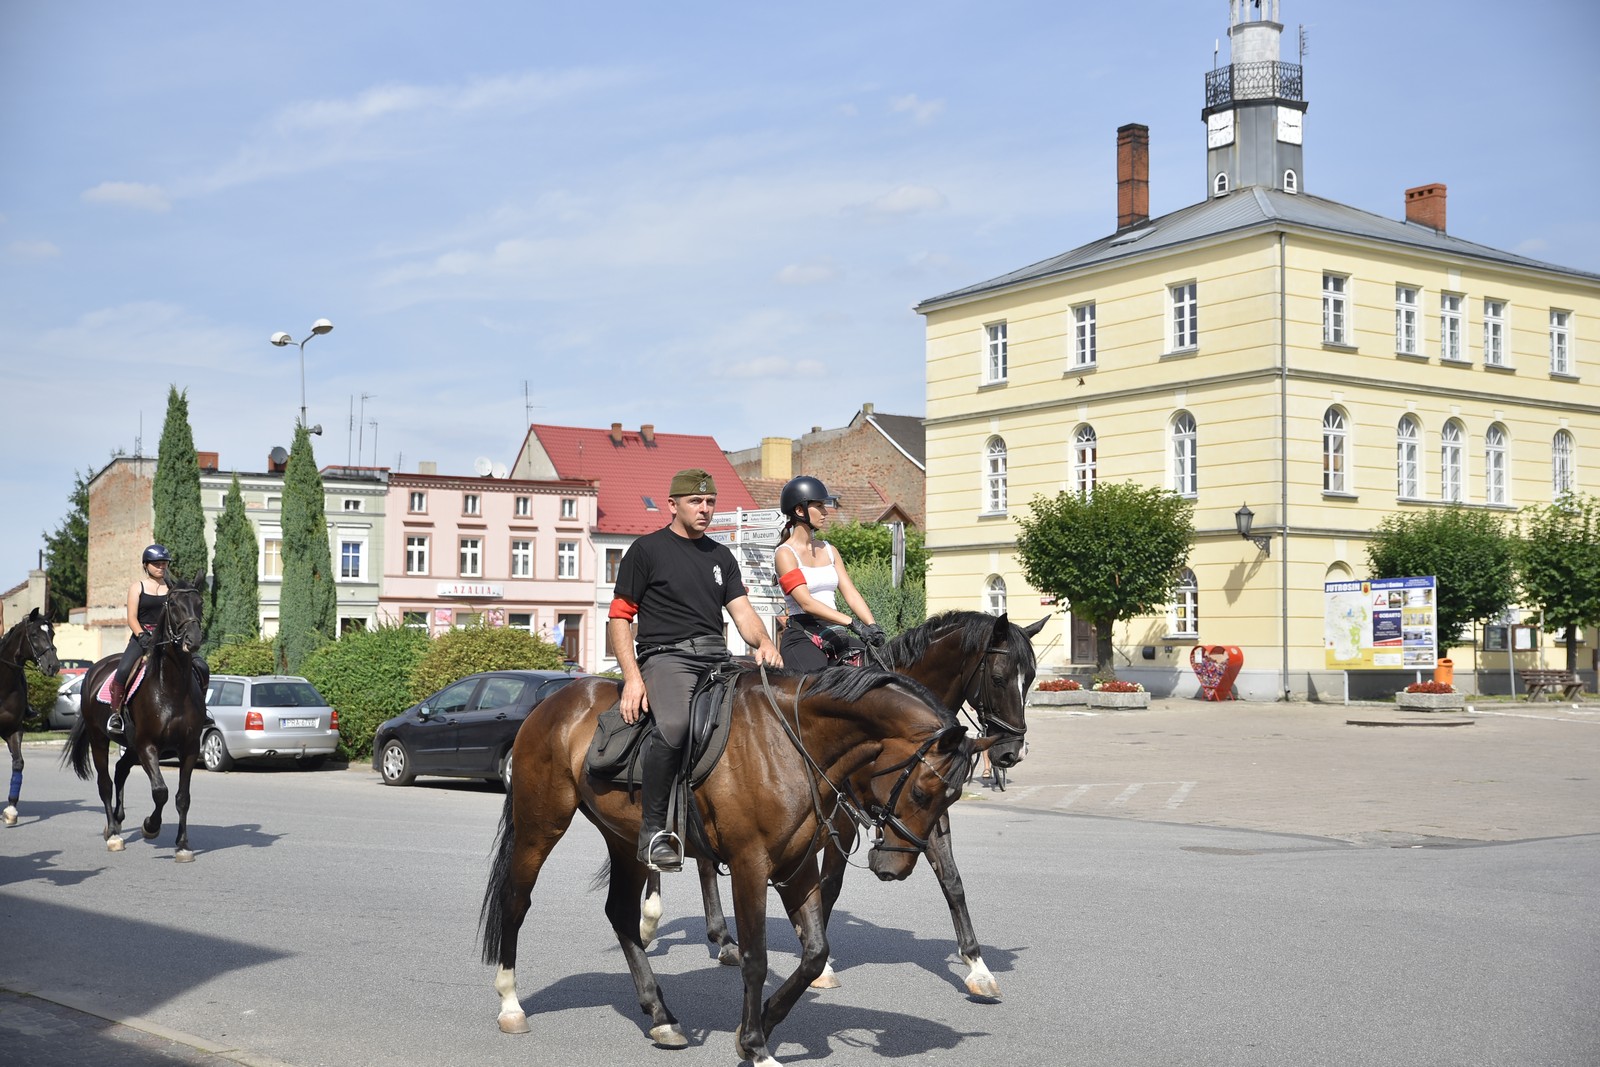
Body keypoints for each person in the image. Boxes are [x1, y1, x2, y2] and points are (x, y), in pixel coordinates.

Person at [607, 468, 782, 872]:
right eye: (695, 502)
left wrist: (764, 642)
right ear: (673, 505)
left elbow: (743, 615)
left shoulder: (721, 557)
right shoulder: (646, 551)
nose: (705, 509)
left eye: (710, 502)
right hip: (667, 657)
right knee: (675, 727)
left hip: (717, 658)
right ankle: (652, 832)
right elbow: (619, 618)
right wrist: (633, 677)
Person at [773, 475, 885, 671]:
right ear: (800, 510)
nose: (826, 512)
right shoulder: (785, 554)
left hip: (834, 630)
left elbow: (850, 593)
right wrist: (853, 624)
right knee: (821, 686)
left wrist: (872, 625)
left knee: (878, 669)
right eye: (820, 506)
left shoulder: (830, 550)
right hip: (801, 635)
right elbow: (806, 603)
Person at [108, 543, 171, 733]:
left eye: (164, 563)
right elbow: (131, 618)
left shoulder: (171, 587)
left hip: (166, 639)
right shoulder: (137, 587)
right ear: (146, 565)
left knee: (197, 666)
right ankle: (116, 714)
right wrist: (142, 635)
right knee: (123, 670)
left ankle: (201, 711)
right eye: (157, 564)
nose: (161, 567)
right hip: (141, 637)